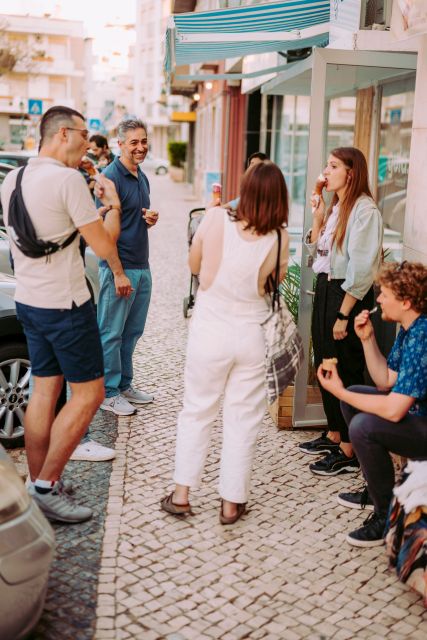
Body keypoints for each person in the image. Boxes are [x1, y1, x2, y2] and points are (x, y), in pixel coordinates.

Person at [0, 105, 129, 522]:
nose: (88, 143)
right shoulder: (68, 180)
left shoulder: (12, 178)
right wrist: (113, 206)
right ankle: (44, 485)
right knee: (89, 395)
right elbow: (107, 248)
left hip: (31, 301)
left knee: (44, 390)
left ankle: (42, 482)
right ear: (61, 134)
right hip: (67, 305)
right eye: (83, 134)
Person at [161, 161, 289, 524]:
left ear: (244, 189)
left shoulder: (215, 218)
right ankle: (231, 502)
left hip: (211, 330)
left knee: (197, 410)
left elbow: (193, 264)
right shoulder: (279, 236)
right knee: (243, 419)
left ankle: (182, 495)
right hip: (251, 334)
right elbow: (271, 284)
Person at [317, 261, 427, 546]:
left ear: (405, 301)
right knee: (357, 400)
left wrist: (339, 392)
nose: (378, 299)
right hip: (417, 414)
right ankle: (377, 491)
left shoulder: (423, 334)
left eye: (384, 294)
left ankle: (385, 516)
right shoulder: (409, 326)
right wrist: (367, 339)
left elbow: (394, 408)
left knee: (363, 425)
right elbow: (385, 381)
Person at [299, 147, 383, 476]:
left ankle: (349, 449)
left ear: (351, 172)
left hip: (345, 295)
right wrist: (318, 213)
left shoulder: (365, 210)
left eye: (333, 166)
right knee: (326, 363)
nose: (326, 171)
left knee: (345, 367)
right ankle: (336, 433)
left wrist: (344, 314)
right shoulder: (338, 207)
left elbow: (362, 269)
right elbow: (317, 250)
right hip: (326, 287)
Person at [95, 119, 158, 416]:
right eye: (133, 142)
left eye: (143, 141)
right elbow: (105, 235)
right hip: (119, 268)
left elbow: (132, 217)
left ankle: (123, 385)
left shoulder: (140, 176)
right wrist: (118, 272)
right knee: (111, 332)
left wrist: (149, 218)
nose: (140, 147)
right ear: (119, 144)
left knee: (132, 332)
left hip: (141, 265)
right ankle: (107, 392)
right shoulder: (110, 178)